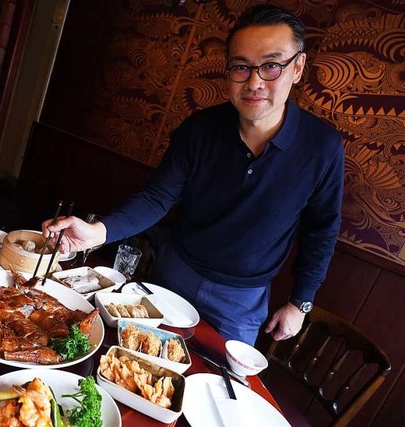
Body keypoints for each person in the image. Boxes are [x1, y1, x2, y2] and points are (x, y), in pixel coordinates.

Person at [42, 4, 344, 346]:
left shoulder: (322, 146)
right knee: (134, 361)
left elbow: (322, 230)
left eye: (272, 66)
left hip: (241, 301)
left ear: (298, 66)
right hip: (175, 272)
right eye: (241, 68)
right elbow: (157, 196)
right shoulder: (200, 128)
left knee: (220, 385)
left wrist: (300, 301)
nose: (255, 82)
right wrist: (97, 232)